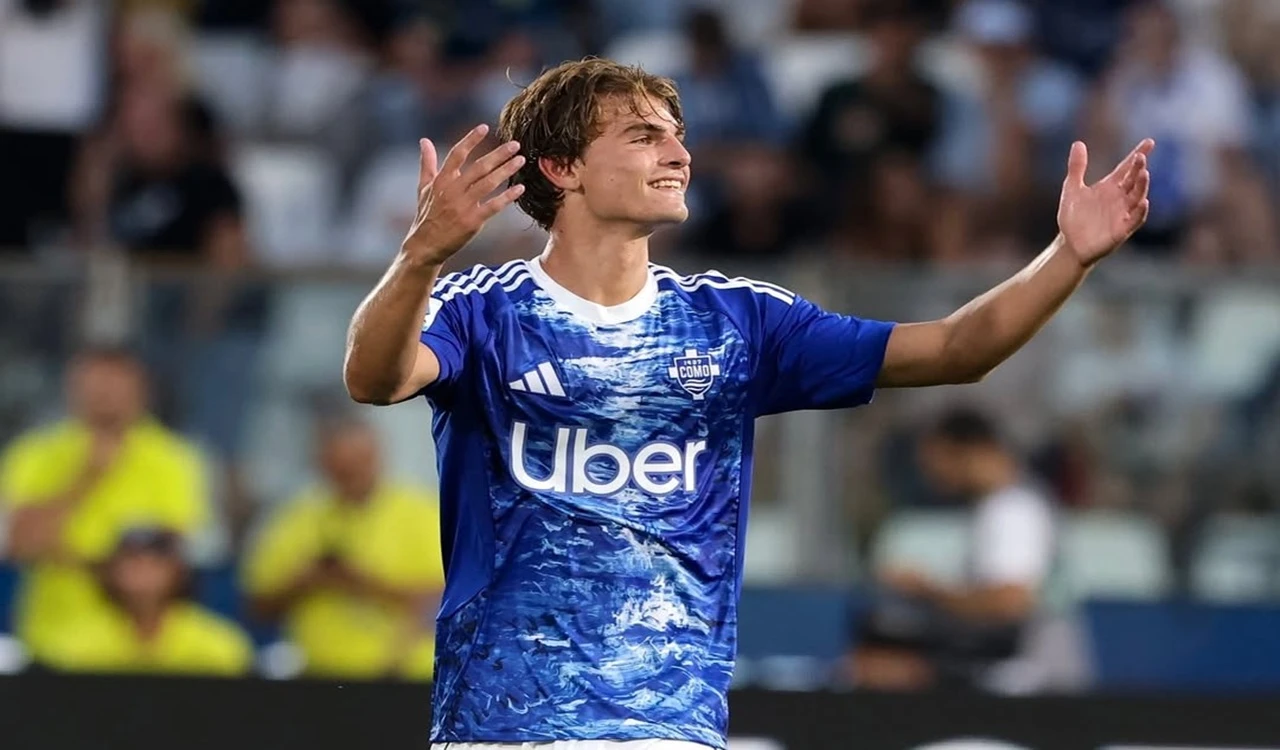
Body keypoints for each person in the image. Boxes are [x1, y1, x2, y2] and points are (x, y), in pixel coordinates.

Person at [342, 58, 1152, 749]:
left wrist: (1068, 256)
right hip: (507, 726)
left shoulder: (737, 322)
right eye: (644, 136)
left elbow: (954, 349)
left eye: (678, 135)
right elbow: (376, 379)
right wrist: (421, 256)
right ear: (562, 168)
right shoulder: (481, 310)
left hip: (675, 729)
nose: (679, 154)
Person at [0, 346, 208, 664]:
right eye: (95, 387)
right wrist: (84, 481)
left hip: (140, 647)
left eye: (115, 386)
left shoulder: (173, 460)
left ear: (141, 391)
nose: (105, 397)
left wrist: (70, 556)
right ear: (73, 390)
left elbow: (167, 559)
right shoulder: (35, 453)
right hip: (50, 638)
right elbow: (19, 545)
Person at [851, 407, 1058, 692]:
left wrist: (927, 590)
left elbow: (1010, 603)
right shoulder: (1000, 506)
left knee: (885, 665)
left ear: (964, 451)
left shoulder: (1014, 510)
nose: (930, 474)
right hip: (1001, 664)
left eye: (935, 461)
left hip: (1016, 675)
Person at [242, 414, 444, 681]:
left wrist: (365, 583)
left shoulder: (421, 514)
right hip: (314, 672)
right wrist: (306, 581)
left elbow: (443, 598)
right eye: (340, 470)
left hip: (400, 674)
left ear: (376, 459)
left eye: (356, 467)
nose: (348, 478)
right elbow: (257, 605)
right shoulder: (296, 517)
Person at [40, 525, 252, 676]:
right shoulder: (73, 645)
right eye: (132, 561)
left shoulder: (219, 643)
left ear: (178, 571)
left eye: (155, 563)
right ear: (110, 571)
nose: (143, 572)